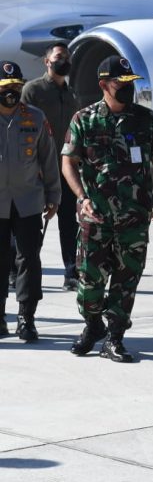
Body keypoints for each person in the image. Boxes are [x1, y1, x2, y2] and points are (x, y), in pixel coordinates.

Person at [62, 56, 153, 362]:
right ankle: (93, 324)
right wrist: (82, 197)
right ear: (103, 85)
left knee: (126, 280)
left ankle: (114, 337)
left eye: (130, 82)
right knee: (89, 283)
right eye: (119, 83)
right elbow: (68, 161)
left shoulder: (146, 120)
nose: (127, 87)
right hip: (95, 217)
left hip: (134, 218)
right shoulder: (84, 119)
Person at [0, 61, 60, 341]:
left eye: (16, 86)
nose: (11, 92)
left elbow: (48, 158)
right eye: (6, 87)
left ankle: (26, 318)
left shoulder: (35, 117)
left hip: (28, 201)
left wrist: (54, 195)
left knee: (29, 260)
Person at [21, 42, 80, 291]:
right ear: (47, 61)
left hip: (64, 170)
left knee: (69, 223)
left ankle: (71, 273)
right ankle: (18, 271)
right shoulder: (33, 90)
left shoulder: (71, 95)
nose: (63, 61)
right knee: (29, 224)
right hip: (36, 170)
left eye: (66, 57)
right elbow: (22, 126)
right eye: (58, 57)